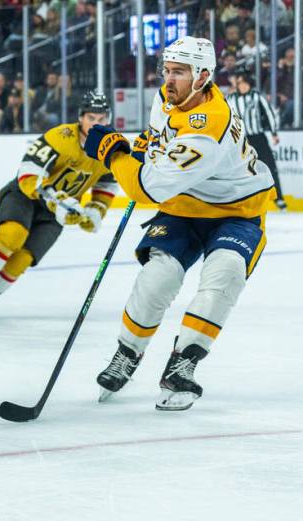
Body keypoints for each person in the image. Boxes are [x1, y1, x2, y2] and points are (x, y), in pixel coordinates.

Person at [85, 37, 275, 411]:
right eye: (167, 71)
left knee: (226, 273)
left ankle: (184, 361)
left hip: (237, 211)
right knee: (158, 278)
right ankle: (128, 353)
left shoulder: (209, 128)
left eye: (179, 73)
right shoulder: (172, 96)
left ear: (203, 76)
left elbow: (146, 188)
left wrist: (114, 154)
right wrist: (141, 146)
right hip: (185, 206)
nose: (169, 80)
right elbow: (159, 132)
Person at [0, 91, 118, 321]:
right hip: (25, 197)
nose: (97, 124)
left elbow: (107, 182)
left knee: (22, 259)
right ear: (81, 117)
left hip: (56, 214)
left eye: (102, 119)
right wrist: (55, 198)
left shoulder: (111, 148)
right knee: (13, 235)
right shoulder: (61, 137)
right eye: (92, 118)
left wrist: (95, 210)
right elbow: (27, 173)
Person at [226, 66, 286, 210]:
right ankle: (238, 199)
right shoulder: (231, 99)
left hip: (258, 137)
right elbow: (226, 119)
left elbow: (270, 114)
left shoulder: (257, 96)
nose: (242, 85)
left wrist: (274, 133)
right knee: (239, 171)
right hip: (241, 140)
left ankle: (278, 198)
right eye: (239, 83)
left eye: (244, 82)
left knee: (269, 167)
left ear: (249, 83)